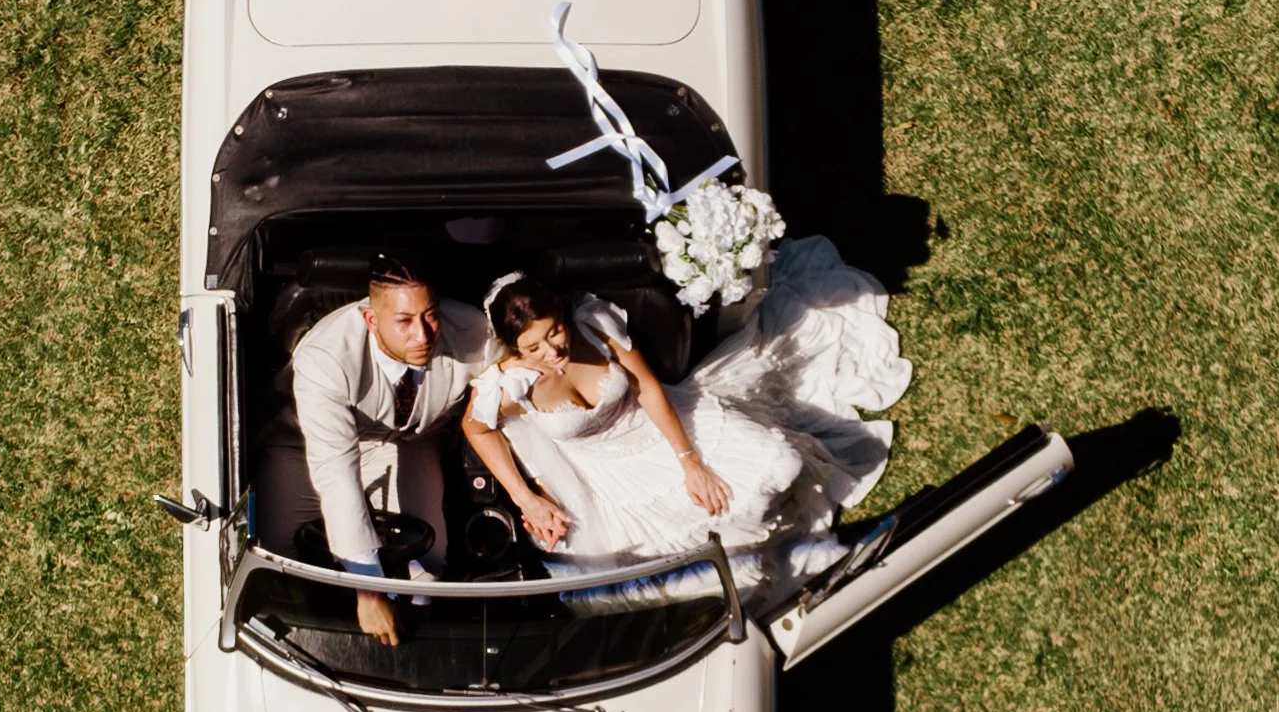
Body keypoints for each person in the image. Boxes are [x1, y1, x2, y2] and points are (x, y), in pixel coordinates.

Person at [460, 243, 911, 580]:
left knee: (783, 465)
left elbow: (651, 389)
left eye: (554, 332)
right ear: (514, 348)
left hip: (665, 425)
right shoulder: (511, 383)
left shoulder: (594, 326)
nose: (553, 350)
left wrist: (690, 462)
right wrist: (526, 498)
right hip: (611, 477)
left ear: (560, 312)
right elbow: (476, 428)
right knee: (683, 556)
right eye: (533, 346)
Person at [256, 253, 488, 647]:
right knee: (281, 560)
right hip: (303, 444)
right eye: (404, 322)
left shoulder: (474, 331)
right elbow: (335, 471)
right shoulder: (325, 357)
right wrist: (368, 589)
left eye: (430, 315)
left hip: (410, 440)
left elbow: (523, 377)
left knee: (426, 565)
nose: (423, 335)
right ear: (371, 319)